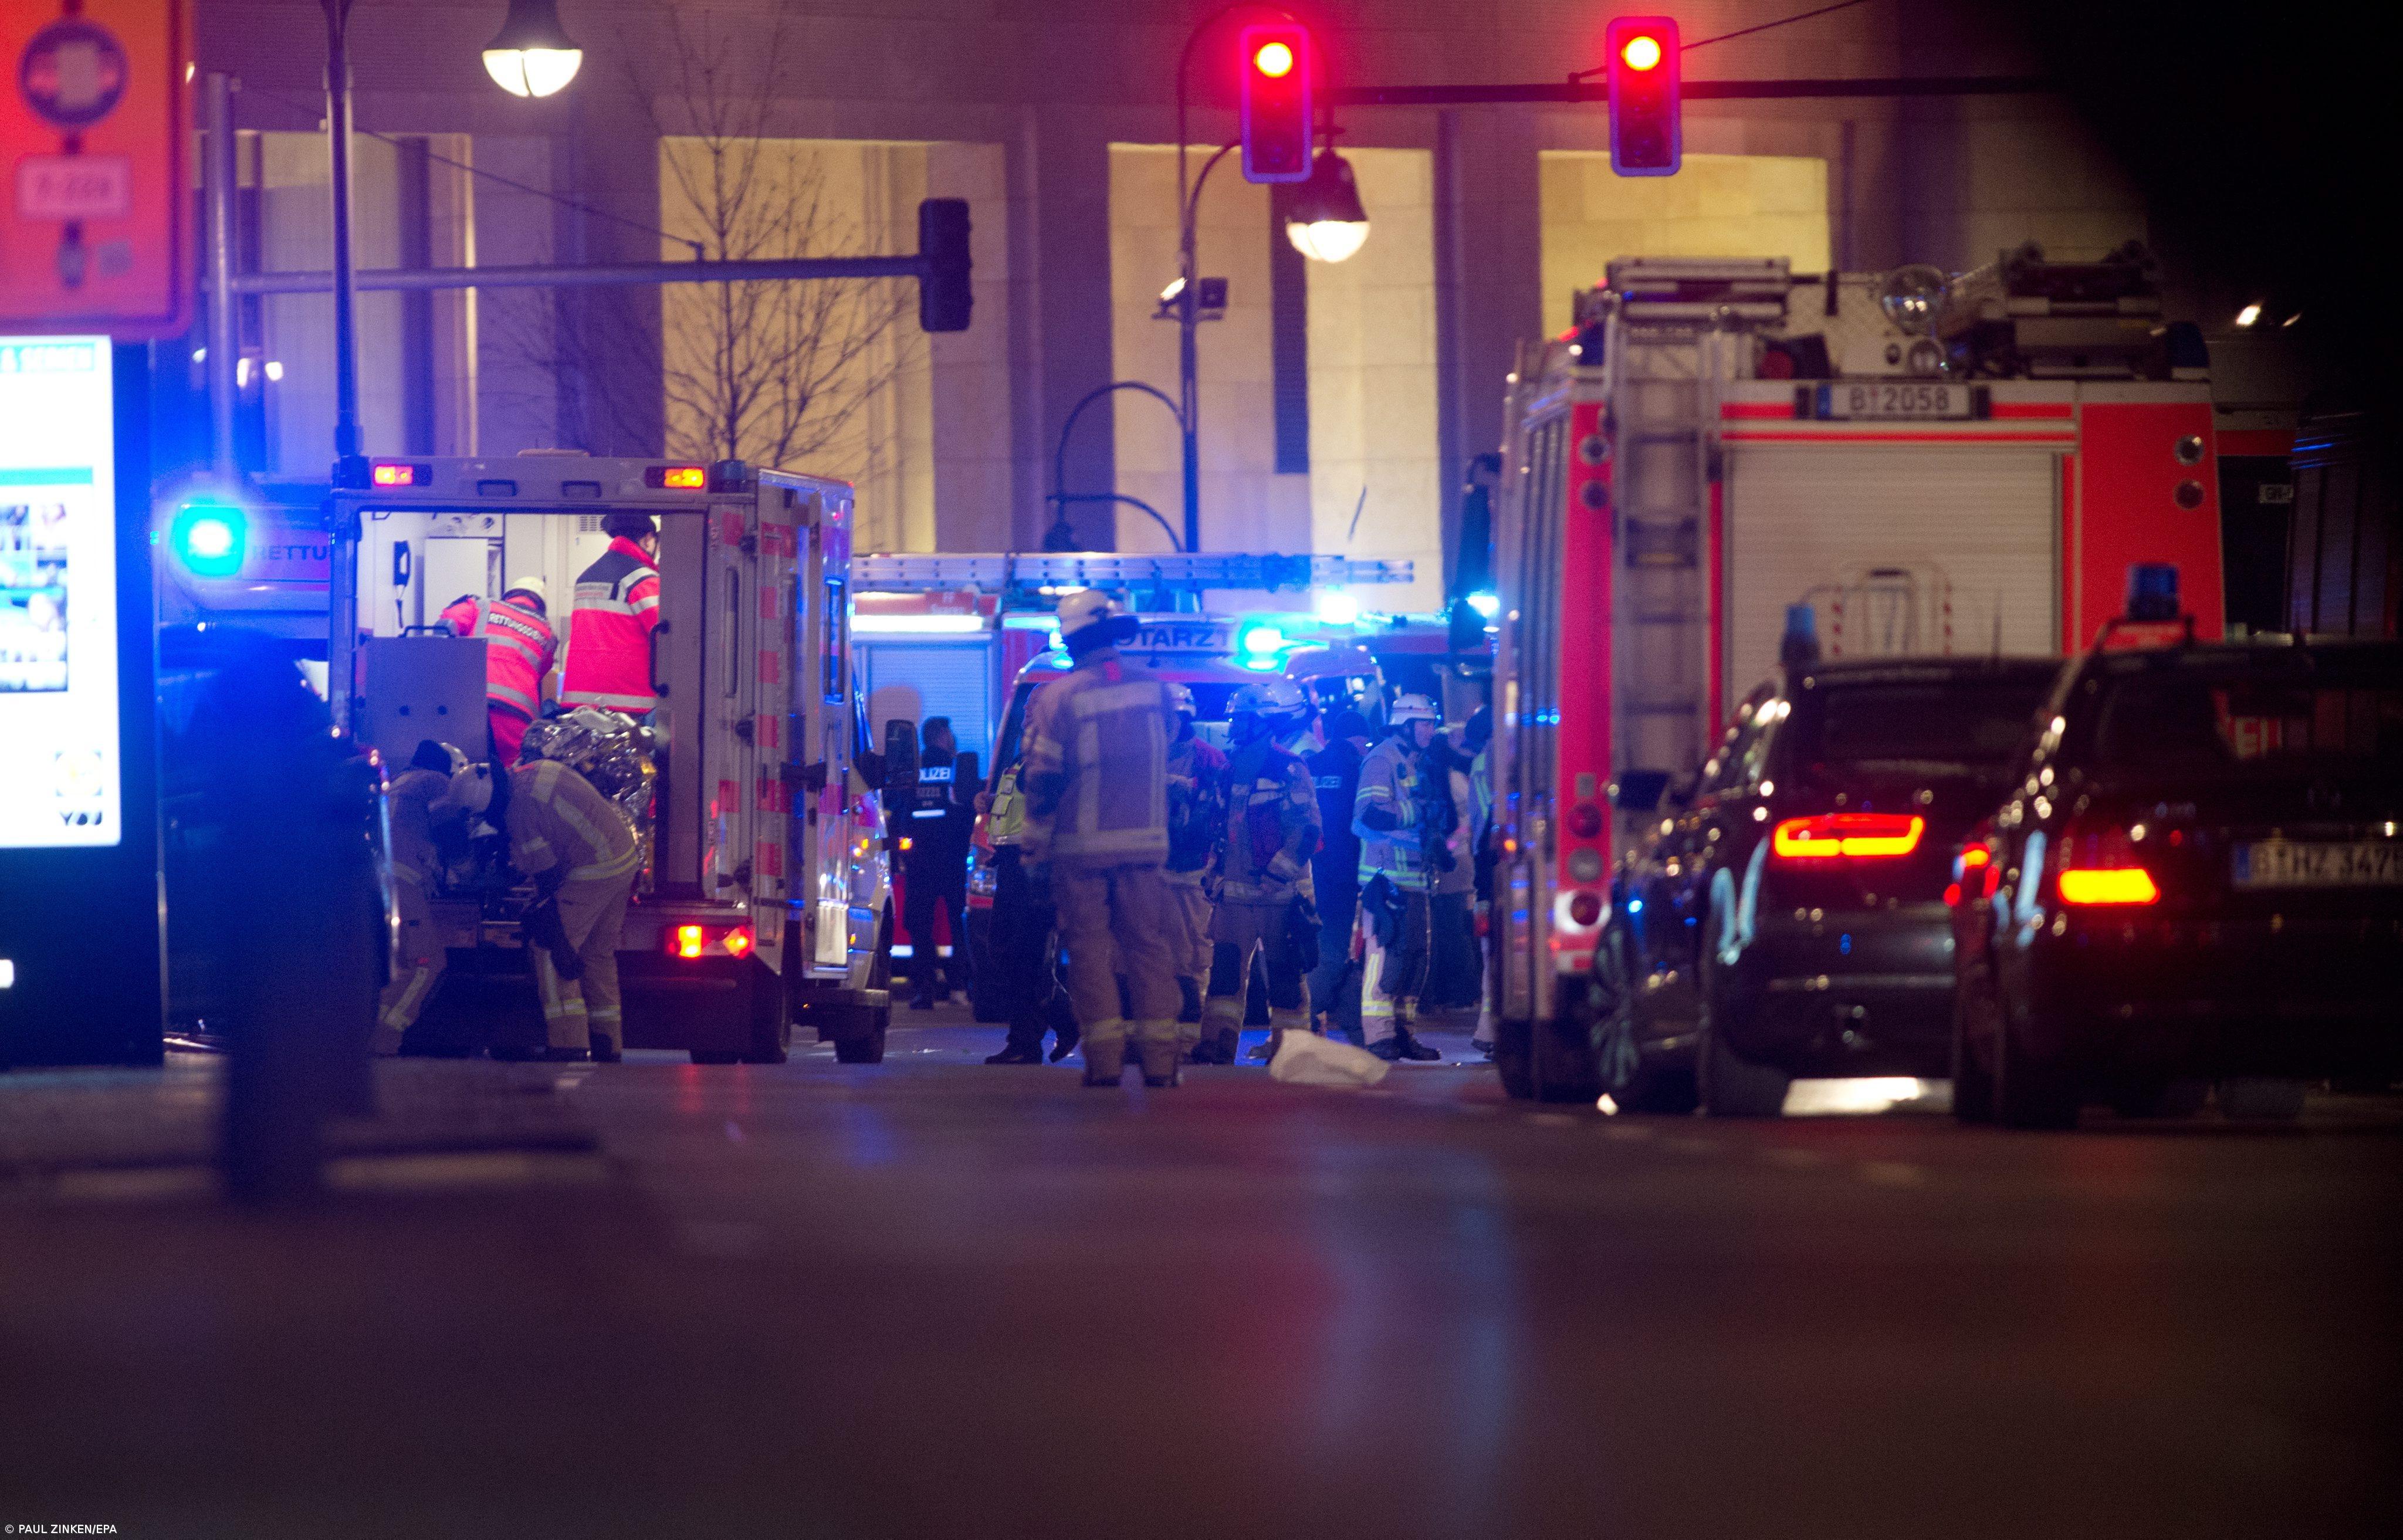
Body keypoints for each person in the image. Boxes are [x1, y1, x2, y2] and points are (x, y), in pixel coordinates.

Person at [1017, 588, 1182, 1088]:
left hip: (1082, 848)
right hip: (1148, 845)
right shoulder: (1156, 690)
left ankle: (1106, 1062)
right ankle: (1160, 1063)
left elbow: (1041, 781)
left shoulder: (1059, 697)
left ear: (1070, 641)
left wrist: (1033, 851)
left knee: (1089, 951)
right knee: (1148, 947)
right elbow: (1170, 746)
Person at [451, 753, 641, 1063]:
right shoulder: (533, 771)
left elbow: (549, 877)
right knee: (596, 954)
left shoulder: (518, 812)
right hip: (622, 860)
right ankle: (609, 1045)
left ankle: (569, 1045)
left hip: (593, 869)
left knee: (550, 949)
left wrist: (541, 915)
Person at [1196, 678, 1322, 1066]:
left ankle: (1291, 1053)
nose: (1232, 727)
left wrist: (1277, 875)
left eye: (1240, 720)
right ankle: (1217, 1047)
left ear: (1262, 721)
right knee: (1224, 979)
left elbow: (1308, 829)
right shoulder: (1229, 769)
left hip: (1280, 897)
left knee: (1285, 979)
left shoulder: (1288, 767)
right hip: (1233, 898)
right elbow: (1221, 829)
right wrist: (1213, 875)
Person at [1352, 692, 1446, 1062]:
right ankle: (1379, 1036)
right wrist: (1418, 810)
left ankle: (1405, 1033)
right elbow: (1370, 815)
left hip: (1416, 880)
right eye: (1425, 723)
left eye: (1432, 722)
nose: (1431, 729)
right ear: (1405, 725)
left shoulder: (1418, 763)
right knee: (1384, 958)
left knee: (1415, 960)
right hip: (1384, 881)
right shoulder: (1381, 760)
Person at [979, 742, 1079, 1066]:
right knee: (1007, 952)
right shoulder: (1020, 760)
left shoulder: (1052, 761)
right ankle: (1064, 1020)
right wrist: (991, 803)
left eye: (1034, 716)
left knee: (1024, 955)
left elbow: (1056, 814)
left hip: (1036, 868)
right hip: (1013, 863)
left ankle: (1025, 1042)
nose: (1027, 723)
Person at [372, 739, 466, 1055]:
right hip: (402, 882)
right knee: (427, 964)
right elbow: (448, 832)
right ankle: (383, 1037)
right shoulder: (435, 781)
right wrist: (470, 861)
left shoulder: (400, 782)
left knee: (396, 965)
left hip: (379, 882)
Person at [1305, 709, 1373, 1044]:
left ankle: (1354, 1024)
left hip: (1309, 872)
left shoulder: (1311, 766)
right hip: (1344, 875)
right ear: (1358, 739)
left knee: (1333, 950)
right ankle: (1303, 1019)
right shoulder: (1358, 769)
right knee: (1334, 952)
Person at [1163, 682, 1228, 1030]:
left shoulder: (1209, 759)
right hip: (1150, 872)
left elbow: (1216, 809)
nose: (1167, 724)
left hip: (1192, 870)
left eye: (1174, 718)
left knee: (1192, 957)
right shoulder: (1143, 755)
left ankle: (1190, 1036)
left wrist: (1176, 785)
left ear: (1187, 719)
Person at [439, 577, 557, 766]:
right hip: (517, 715)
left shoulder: (483, 607)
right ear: (541, 606)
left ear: (509, 596)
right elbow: (542, 671)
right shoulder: (547, 632)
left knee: (462, 771)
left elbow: (446, 624)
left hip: (472, 706)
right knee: (509, 779)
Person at [560, 512, 662, 718]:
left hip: (579, 704)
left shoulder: (585, 579)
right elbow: (667, 640)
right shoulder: (643, 579)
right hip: (630, 707)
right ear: (648, 539)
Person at [904, 716, 974, 1009]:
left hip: (920, 860)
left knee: (921, 925)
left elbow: (902, 811)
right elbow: (970, 807)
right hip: (954, 859)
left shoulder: (913, 769)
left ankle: (925, 989)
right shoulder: (958, 766)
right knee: (959, 923)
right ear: (943, 735)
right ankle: (959, 986)